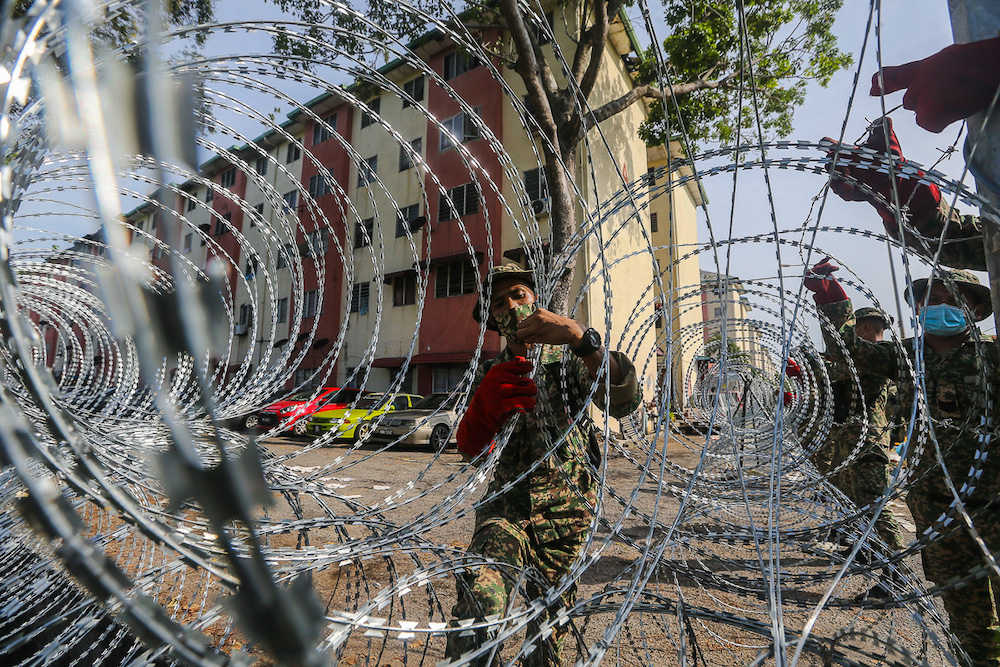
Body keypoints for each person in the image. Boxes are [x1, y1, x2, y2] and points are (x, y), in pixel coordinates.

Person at [805, 258, 1000, 667]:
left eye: (951, 300)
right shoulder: (907, 356)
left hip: (993, 498)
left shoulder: (992, 358)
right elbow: (851, 352)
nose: (939, 306)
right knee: (965, 609)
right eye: (932, 299)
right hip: (935, 501)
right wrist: (832, 301)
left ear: (977, 310)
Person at [446, 263, 641, 666]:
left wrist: (582, 340)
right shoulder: (488, 372)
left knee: (548, 643)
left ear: (536, 299)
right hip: (506, 509)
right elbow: (469, 450)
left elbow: (622, 400)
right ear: (493, 321)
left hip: (566, 518)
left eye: (519, 294)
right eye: (499, 303)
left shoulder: (570, 358)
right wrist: (483, 411)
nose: (512, 306)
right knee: (480, 605)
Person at [822, 306, 905, 557]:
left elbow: (835, 371)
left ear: (864, 328)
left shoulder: (878, 357)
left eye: (853, 328)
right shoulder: (868, 358)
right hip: (852, 440)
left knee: (874, 504)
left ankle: (895, 566)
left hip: (867, 442)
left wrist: (818, 365)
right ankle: (867, 547)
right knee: (854, 499)